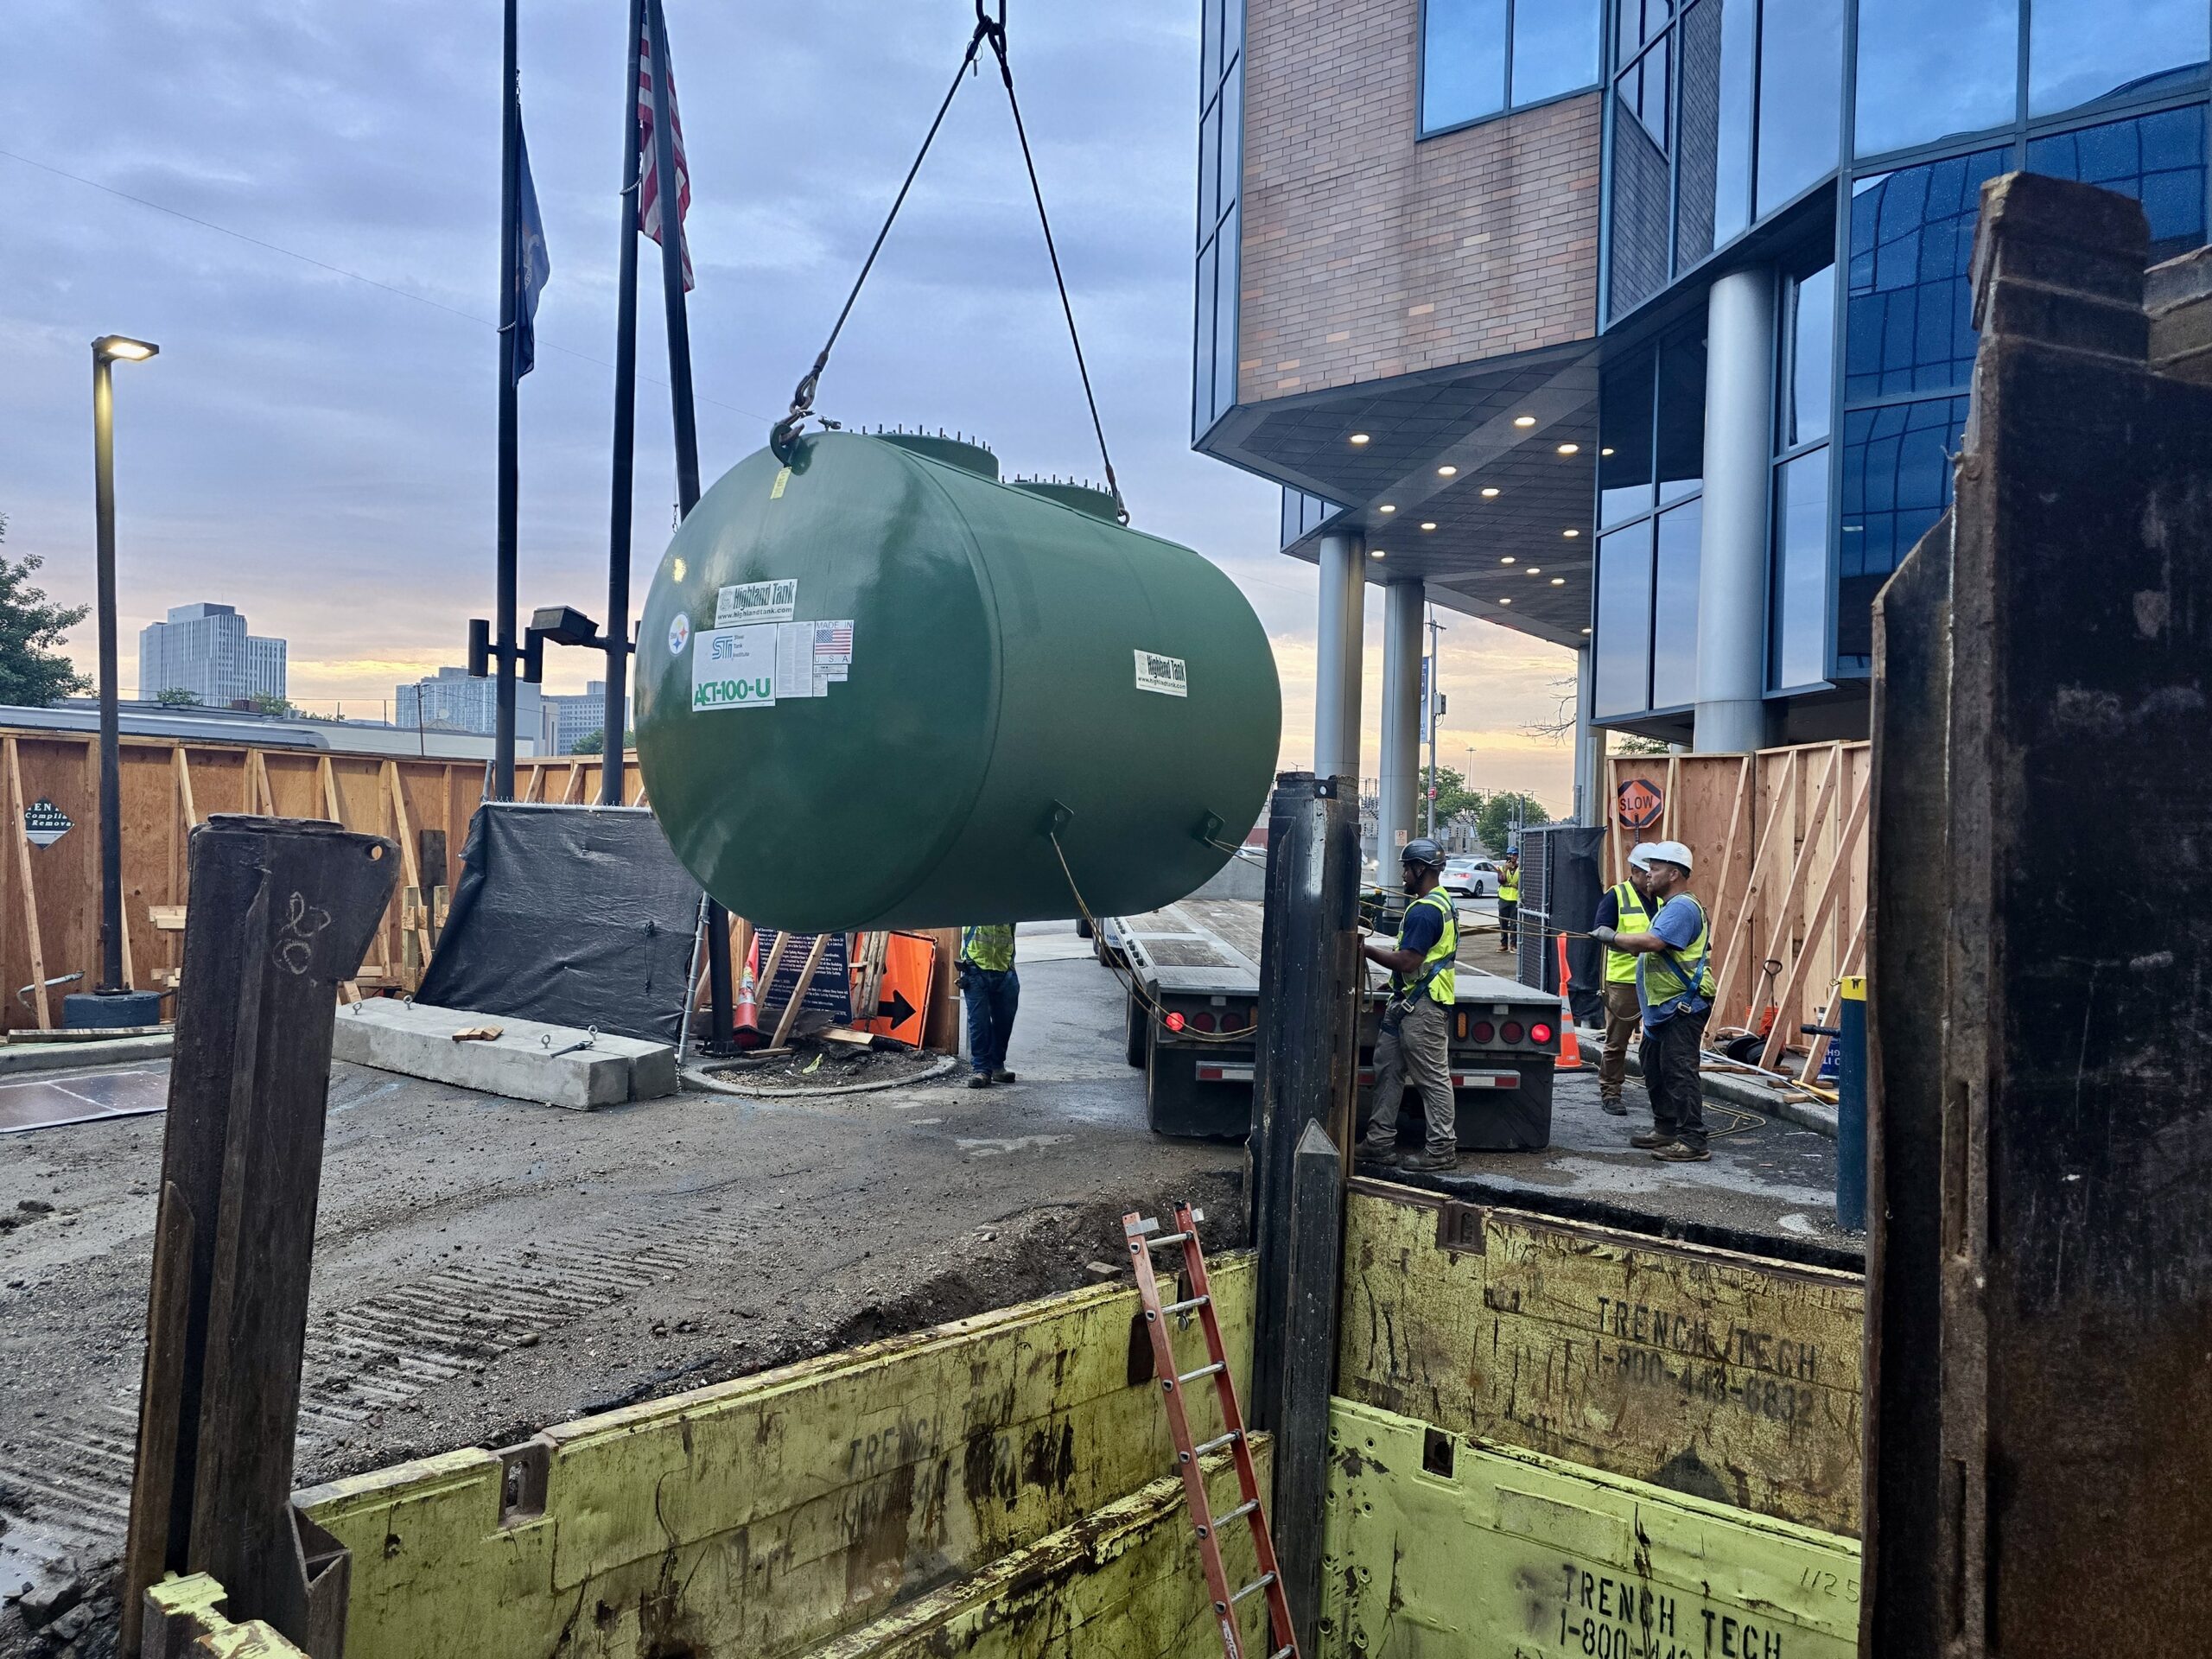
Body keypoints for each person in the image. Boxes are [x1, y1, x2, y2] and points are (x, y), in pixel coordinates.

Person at [1591, 840, 1717, 1162]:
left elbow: (1655, 941)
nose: (1649, 875)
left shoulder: (1681, 907)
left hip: (1682, 1005)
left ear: (1674, 874)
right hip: (1664, 1007)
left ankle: (1692, 1141)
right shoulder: (1668, 905)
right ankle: (1666, 1128)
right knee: (1654, 1064)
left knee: (1678, 1070)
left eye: (1656, 869)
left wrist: (1612, 937)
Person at [1357, 838, 1459, 1172]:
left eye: (1407, 867)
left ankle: (1442, 1149)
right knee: (1387, 1067)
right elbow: (1424, 961)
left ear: (1421, 869)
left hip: (1424, 1008)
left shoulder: (1426, 910)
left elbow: (1408, 960)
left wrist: (1365, 949)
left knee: (1432, 1077)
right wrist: (1398, 984)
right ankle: (1378, 1142)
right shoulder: (1441, 903)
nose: (1403, 874)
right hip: (1408, 1001)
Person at [1592, 855, 1654, 1118]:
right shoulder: (1617, 895)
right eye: (1647, 873)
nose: (1652, 878)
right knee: (1617, 1042)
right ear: (1635, 871)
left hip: (1655, 981)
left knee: (1656, 1043)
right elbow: (1601, 931)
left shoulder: (1663, 897)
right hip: (1624, 981)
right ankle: (1611, 1092)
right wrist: (1629, 944)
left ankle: (1658, 1093)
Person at [957, 924, 1019, 1089]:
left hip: (1004, 968)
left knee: (1004, 1022)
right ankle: (982, 1069)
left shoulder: (1010, 901)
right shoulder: (974, 900)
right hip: (976, 967)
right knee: (979, 1023)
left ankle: (996, 1065)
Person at [1496, 853, 1520, 952]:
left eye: (1514, 855)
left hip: (1515, 898)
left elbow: (1520, 883)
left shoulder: (1520, 869)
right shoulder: (1502, 868)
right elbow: (1502, 881)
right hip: (1504, 897)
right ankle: (1503, 944)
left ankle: (1513, 944)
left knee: (1515, 923)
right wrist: (1505, 870)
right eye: (1510, 855)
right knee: (1503, 922)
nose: (1512, 857)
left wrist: (1511, 884)